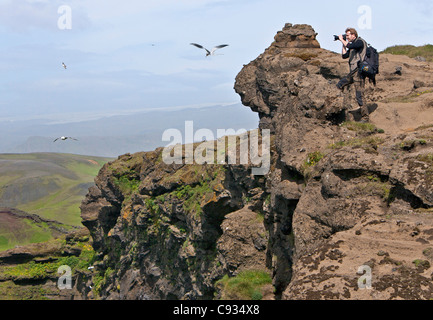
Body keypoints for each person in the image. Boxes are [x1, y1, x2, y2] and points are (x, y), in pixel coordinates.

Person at [336, 27, 367, 111]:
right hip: (353, 72)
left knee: (359, 95)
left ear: (353, 35)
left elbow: (350, 45)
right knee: (340, 84)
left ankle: (365, 117)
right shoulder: (352, 46)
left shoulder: (359, 42)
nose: (347, 37)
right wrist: (342, 43)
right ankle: (338, 103)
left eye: (348, 35)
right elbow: (344, 56)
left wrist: (342, 40)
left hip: (359, 72)